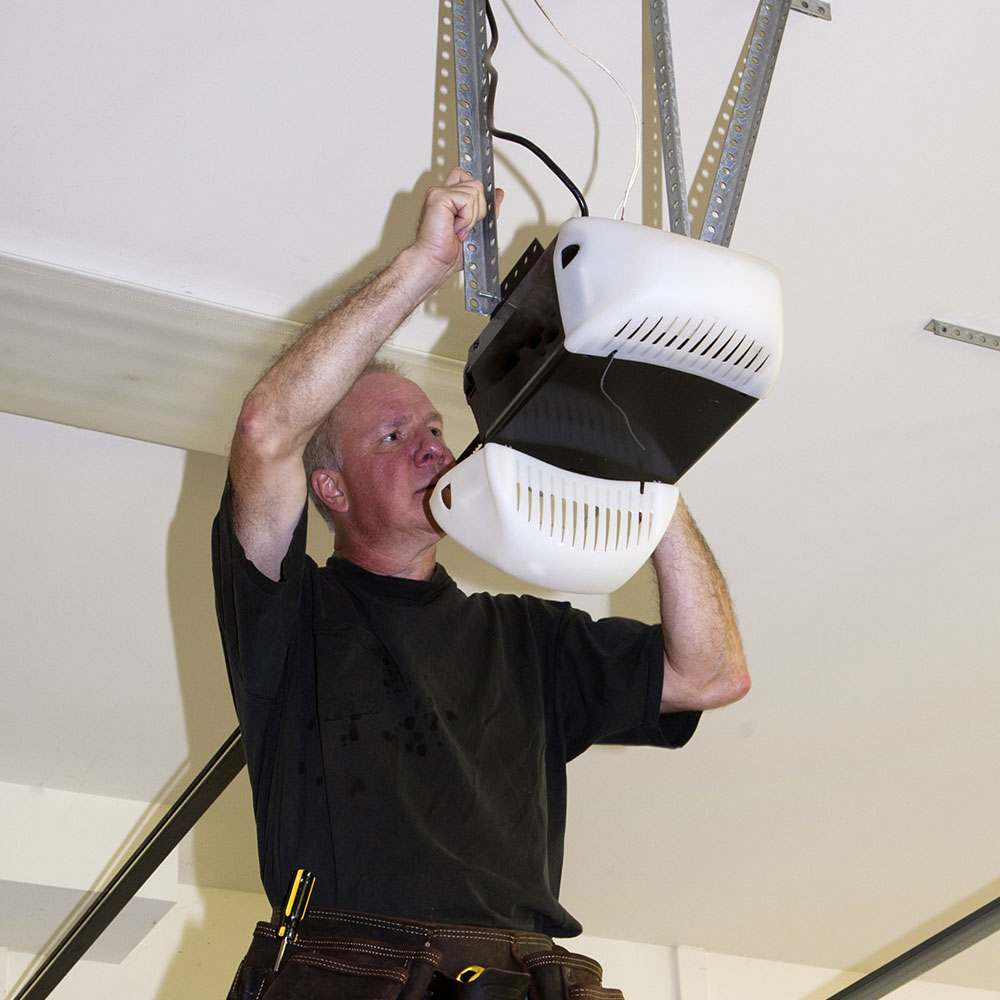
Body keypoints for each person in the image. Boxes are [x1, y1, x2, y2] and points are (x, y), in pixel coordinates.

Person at [212, 166, 750, 1000]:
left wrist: (644, 460)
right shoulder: (292, 614)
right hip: (353, 973)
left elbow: (710, 674)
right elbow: (267, 429)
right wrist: (423, 266)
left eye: (433, 427)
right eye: (393, 435)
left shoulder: (529, 641)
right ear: (332, 490)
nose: (434, 445)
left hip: (523, 976)